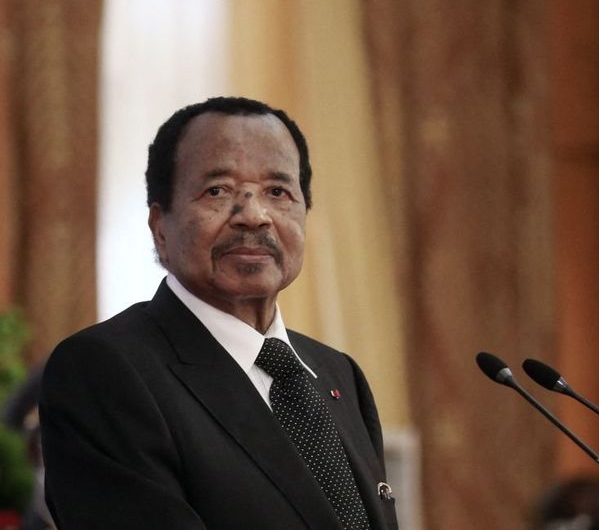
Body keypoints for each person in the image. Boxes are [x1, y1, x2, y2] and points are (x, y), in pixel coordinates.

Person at [39, 97, 398, 529]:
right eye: (218, 190)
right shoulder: (104, 371)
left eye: (278, 192)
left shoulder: (339, 375)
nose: (254, 216)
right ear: (160, 229)